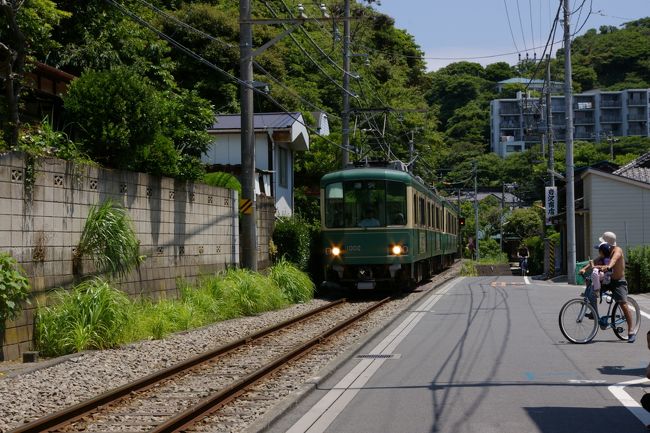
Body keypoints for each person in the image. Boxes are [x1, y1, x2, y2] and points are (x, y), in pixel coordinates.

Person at [596, 231, 637, 343]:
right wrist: (585, 268)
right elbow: (595, 261)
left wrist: (608, 266)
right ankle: (592, 312)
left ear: (608, 243)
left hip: (619, 282)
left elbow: (614, 260)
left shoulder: (617, 250)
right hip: (608, 280)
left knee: (623, 304)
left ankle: (631, 331)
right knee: (593, 288)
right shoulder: (606, 251)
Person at [578, 242, 612, 320]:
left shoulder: (607, 259)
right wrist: (584, 269)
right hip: (599, 279)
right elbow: (592, 263)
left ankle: (596, 293)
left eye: (599, 250)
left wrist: (595, 267)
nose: (598, 252)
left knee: (592, 293)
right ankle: (594, 313)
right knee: (589, 281)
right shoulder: (599, 258)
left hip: (606, 279)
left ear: (602, 252)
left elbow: (606, 266)